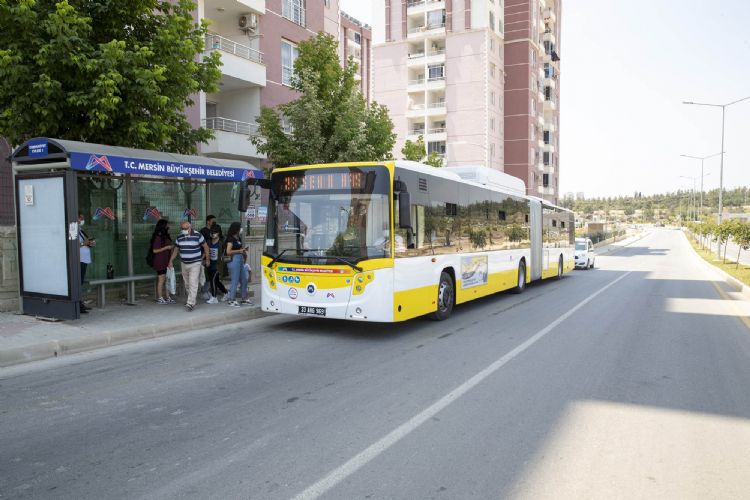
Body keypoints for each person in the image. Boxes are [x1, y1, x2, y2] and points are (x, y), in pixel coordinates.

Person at [169, 221, 209, 311]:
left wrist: (207, 259)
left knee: (192, 282)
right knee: (187, 283)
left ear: (190, 227)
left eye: (185, 229)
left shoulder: (198, 235)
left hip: (195, 263)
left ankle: (190, 303)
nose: (184, 230)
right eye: (182, 229)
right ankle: (191, 298)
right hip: (184, 263)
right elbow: (176, 250)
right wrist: (170, 261)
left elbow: (206, 247)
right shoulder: (179, 237)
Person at [225, 222, 251, 307]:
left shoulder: (238, 238)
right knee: (235, 281)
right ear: (236, 229)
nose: (241, 229)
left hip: (240, 259)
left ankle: (244, 298)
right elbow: (228, 252)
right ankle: (231, 299)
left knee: (244, 279)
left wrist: (243, 251)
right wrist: (239, 251)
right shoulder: (230, 239)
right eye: (240, 228)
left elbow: (238, 248)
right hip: (233, 260)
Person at [150, 219, 175, 304]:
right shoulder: (158, 236)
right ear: (163, 226)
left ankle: (168, 297)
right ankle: (160, 298)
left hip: (167, 261)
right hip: (160, 261)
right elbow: (154, 250)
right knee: (161, 279)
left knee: (167, 279)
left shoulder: (166, 235)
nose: (168, 226)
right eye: (167, 225)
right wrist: (166, 248)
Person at [205, 224, 228, 304]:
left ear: (218, 233)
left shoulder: (222, 242)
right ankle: (225, 292)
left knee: (213, 279)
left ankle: (214, 297)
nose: (212, 234)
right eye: (211, 232)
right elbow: (206, 251)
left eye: (214, 232)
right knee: (216, 281)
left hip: (219, 265)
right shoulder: (208, 241)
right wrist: (201, 259)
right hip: (210, 263)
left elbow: (226, 253)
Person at [78, 213, 94, 314]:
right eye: (80, 217)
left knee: (81, 282)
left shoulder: (80, 230)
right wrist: (84, 243)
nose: (82, 219)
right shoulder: (73, 230)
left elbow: (85, 242)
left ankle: (80, 303)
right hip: (79, 260)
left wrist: (91, 243)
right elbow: (73, 243)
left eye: (83, 217)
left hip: (84, 259)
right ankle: (78, 305)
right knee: (78, 282)